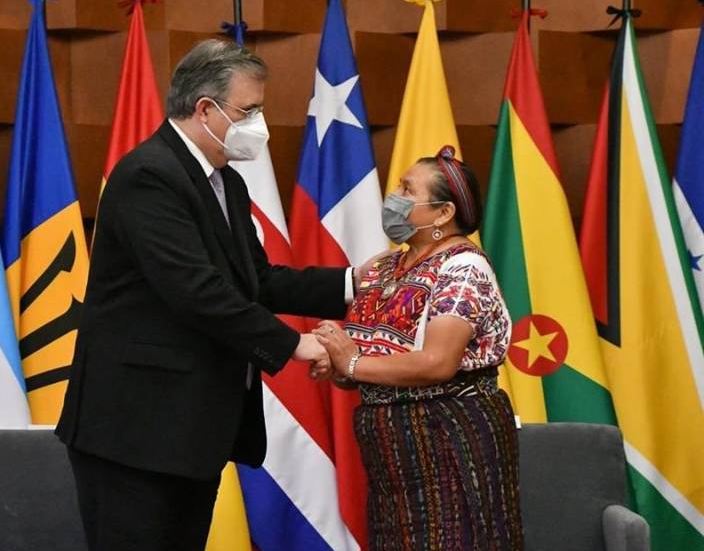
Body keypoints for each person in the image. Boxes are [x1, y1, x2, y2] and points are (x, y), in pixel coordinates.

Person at [55, 39, 363, 551]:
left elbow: (256, 281)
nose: (259, 124)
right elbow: (195, 291)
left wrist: (354, 283)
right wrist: (294, 345)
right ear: (205, 109)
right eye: (249, 110)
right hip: (135, 430)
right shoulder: (148, 175)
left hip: (191, 431)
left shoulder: (226, 182)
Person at [315, 147, 523, 550]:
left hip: (449, 436)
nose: (394, 197)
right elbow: (367, 360)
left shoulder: (463, 267)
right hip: (392, 449)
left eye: (407, 190)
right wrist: (340, 366)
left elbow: (437, 362)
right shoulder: (383, 268)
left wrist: (352, 363)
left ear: (443, 213)